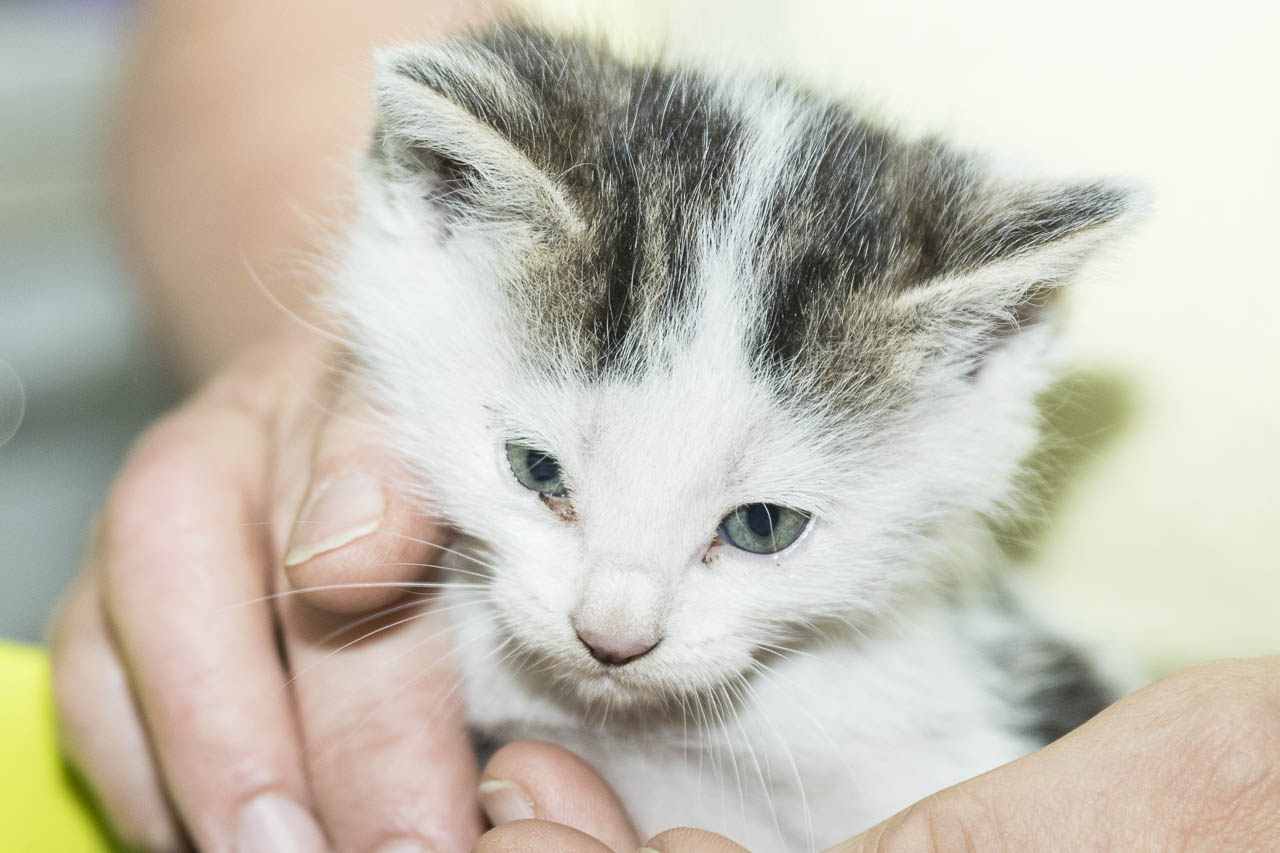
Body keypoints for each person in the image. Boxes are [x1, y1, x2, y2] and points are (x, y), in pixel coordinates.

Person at [48, 1, 1280, 851]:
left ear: (987, 357)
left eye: (760, 524)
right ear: (431, 209)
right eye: (540, 470)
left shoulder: (899, 716)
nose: (613, 621)